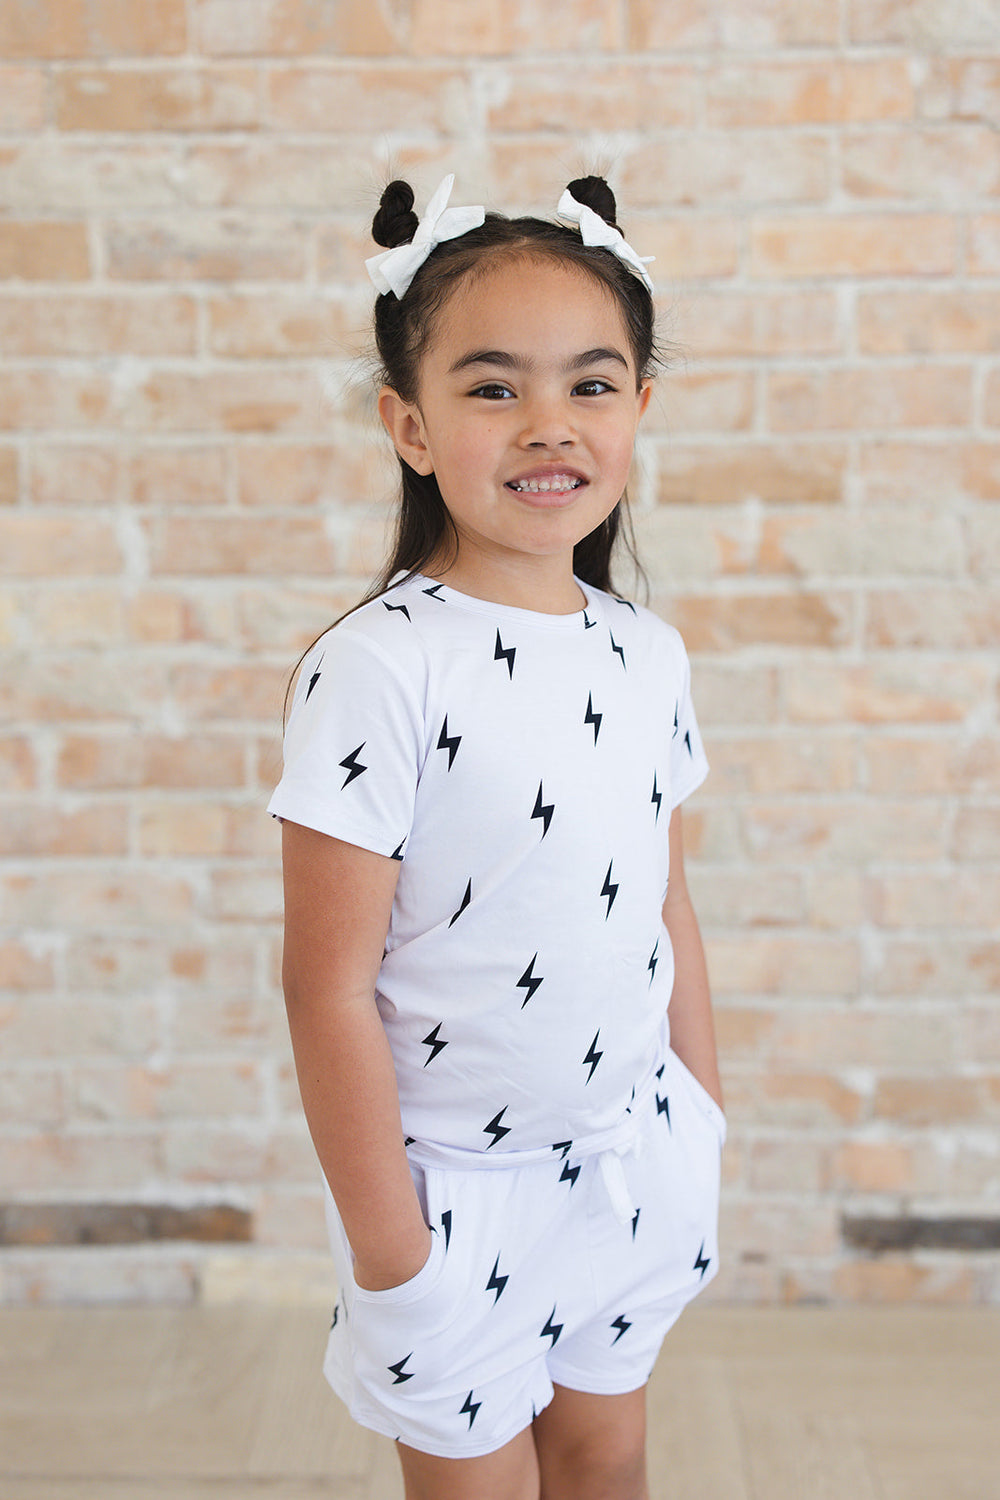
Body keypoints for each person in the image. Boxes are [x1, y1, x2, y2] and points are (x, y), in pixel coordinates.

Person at [268, 173, 725, 1500]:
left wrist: (699, 1121)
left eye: (591, 384)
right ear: (409, 425)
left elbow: (665, 905)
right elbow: (326, 985)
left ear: (640, 408)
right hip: (455, 1194)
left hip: (630, 1163)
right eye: (491, 388)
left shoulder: (646, 655)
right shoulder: (380, 670)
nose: (548, 425)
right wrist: (394, 1252)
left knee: (605, 1461)